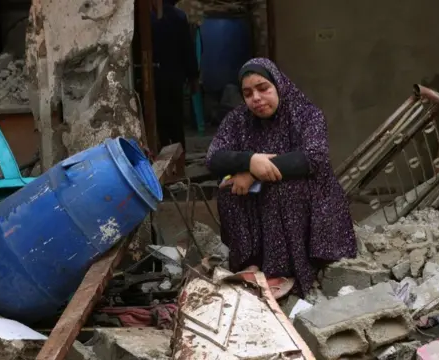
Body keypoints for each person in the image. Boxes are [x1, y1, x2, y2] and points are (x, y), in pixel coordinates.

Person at [206, 58, 357, 297]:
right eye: (248, 93)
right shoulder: (238, 120)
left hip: (312, 195)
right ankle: (251, 262)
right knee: (230, 189)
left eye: (263, 88)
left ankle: (286, 270)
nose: (256, 98)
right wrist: (249, 161)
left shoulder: (307, 114)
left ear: (279, 84)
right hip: (263, 191)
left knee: (282, 188)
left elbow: (313, 158)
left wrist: (254, 171)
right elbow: (214, 159)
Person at [151, 0, 199, 151]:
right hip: (172, 77)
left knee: (160, 121)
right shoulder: (177, 16)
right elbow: (188, 50)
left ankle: (165, 156)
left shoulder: (146, 16)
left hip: (156, 76)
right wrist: (193, 77)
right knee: (175, 121)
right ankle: (178, 158)